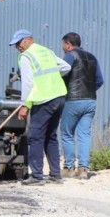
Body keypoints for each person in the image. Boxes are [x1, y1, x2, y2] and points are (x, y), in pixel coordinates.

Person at [9, 29, 71, 186]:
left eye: (19, 43)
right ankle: (55, 175)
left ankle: (37, 176)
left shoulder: (25, 56)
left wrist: (25, 105)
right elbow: (65, 67)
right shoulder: (46, 51)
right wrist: (52, 78)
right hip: (59, 97)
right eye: (15, 45)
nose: (17, 47)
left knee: (35, 136)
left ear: (28, 40)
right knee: (51, 136)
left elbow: (28, 83)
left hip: (43, 99)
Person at [59, 32, 104, 180]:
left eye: (63, 45)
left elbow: (63, 74)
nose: (63, 48)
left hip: (73, 99)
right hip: (90, 100)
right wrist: (89, 91)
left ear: (68, 44)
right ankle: (83, 169)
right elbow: (99, 80)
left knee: (67, 133)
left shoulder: (70, 56)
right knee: (84, 134)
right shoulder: (92, 57)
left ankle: (69, 167)